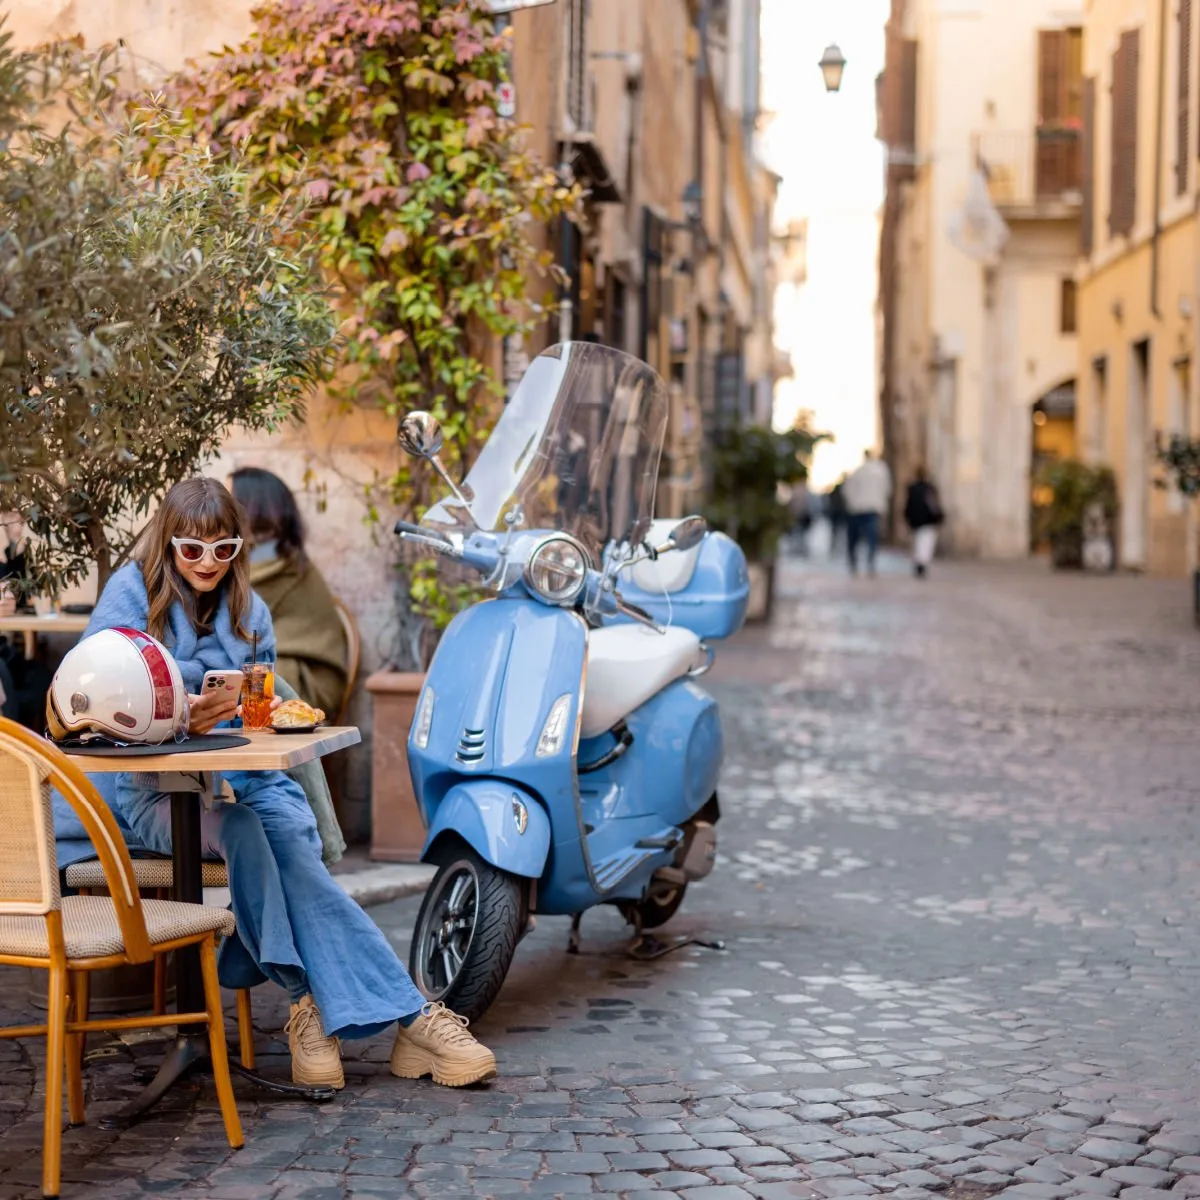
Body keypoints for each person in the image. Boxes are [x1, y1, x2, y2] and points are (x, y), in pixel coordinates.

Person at [84, 478, 496, 1091]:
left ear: (237, 551)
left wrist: (249, 706)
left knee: (289, 849)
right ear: (167, 546)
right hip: (158, 794)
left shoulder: (252, 612)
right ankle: (400, 1015)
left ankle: (322, 1019)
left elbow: (263, 717)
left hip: (247, 776)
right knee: (249, 835)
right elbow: (95, 703)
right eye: (191, 551)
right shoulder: (128, 597)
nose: (206, 565)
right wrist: (175, 713)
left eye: (222, 551)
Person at [229, 468, 348, 720]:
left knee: (237, 671)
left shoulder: (273, 560)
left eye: (229, 502)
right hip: (287, 667)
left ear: (251, 507)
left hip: (306, 681)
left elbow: (230, 608)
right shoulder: (273, 554)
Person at [842, 450, 892, 577]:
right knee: (871, 538)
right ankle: (870, 563)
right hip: (872, 508)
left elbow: (847, 490)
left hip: (857, 509)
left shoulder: (857, 472)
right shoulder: (881, 471)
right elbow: (887, 490)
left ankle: (854, 562)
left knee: (854, 538)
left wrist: (852, 504)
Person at [904, 466, 944, 578]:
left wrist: (908, 518)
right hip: (928, 521)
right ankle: (922, 562)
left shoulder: (912, 488)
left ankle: (919, 561)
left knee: (918, 542)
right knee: (926, 543)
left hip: (916, 521)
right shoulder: (929, 489)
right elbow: (934, 505)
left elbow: (908, 505)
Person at [826, 478, 848, 559]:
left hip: (836, 513)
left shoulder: (833, 492)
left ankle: (835, 546)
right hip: (837, 513)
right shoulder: (838, 493)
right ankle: (836, 546)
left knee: (836, 531)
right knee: (838, 531)